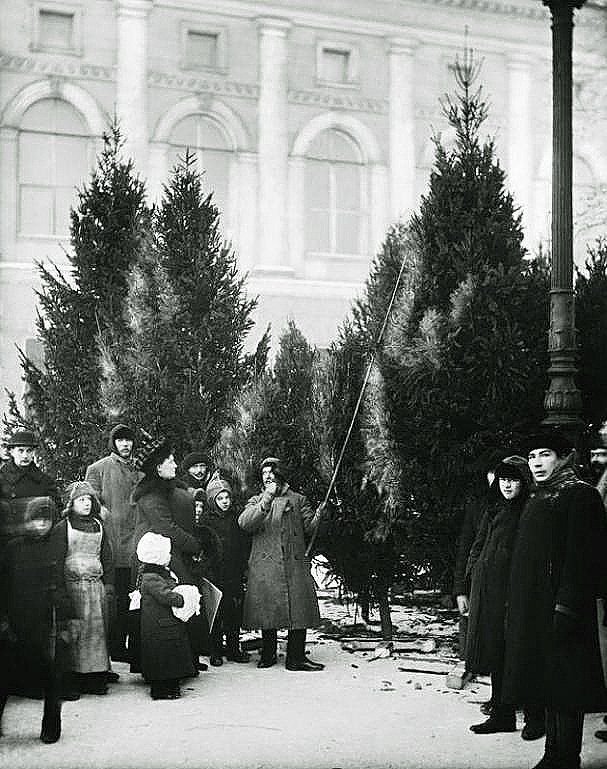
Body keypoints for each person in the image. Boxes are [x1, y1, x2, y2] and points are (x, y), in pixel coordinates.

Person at [502, 427, 607, 769]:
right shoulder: (538, 497)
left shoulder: (580, 495)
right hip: (535, 608)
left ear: (563, 458)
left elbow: (583, 557)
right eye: (532, 457)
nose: (536, 463)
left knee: (567, 687)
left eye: (545, 454)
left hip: (563, 609)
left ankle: (567, 757)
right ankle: (552, 753)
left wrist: (566, 606)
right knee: (546, 682)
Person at [466, 456, 544, 739]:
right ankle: (502, 715)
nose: (508, 485)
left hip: (518, 595)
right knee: (496, 654)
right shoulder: (493, 508)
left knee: (523, 655)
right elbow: (478, 544)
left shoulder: (529, 510)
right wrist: (473, 573)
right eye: (503, 480)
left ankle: (536, 718)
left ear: (523, 482)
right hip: (490, 595)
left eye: (513, 480)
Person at [0, 497, 76, 743]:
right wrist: (3, 621)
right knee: (4, 678)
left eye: (47, 520)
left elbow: (59, 586)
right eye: (36, 520)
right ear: (27, 521)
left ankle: (51, 728)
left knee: (51, 678)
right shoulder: (13, 548)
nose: (41, 525)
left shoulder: (53, 548)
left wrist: (67, 619)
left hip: (43, 626)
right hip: (13, 623)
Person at [238, 457, 324, 672]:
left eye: (272, 472)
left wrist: (320, 517)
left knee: (299, 609)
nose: (268, 476)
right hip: (266, 564)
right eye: (264, 472)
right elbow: (245, 523)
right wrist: (266, 498)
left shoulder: (298, 499)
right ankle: (268, 654)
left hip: (294, 564)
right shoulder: (256, 500)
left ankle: (296, 657)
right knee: (268, 608)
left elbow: (310, 529)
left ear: (281, 474)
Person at [131, 434, 208, 673]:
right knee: (167, 612)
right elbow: (166, 527)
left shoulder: (170, 487)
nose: (175, 464)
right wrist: (194, 545)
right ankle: (167, 666)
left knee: (183, 604)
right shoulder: (151, 496)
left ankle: (188, 659)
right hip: (158, 559)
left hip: (173, 555)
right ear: (158, 467)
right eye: (171, 461)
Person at [85, 424, 142, 665]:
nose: (125, 444)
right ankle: (116, 646)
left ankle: (134, 646)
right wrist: (108, 518)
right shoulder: (98, 469)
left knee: (135, 596)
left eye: (129, 440)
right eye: (120, 440)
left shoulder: (142, 469)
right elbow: (91, 503)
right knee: (115, 598)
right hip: (113, 543)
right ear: (113, 443)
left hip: (139, 543)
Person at [55, 481, 114, 696]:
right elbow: (58, 559)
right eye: (81, 500)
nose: (86, 504)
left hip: (95, 590)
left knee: (97, 634)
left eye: (89, 500)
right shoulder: (64, 527)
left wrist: (109, 586)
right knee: (75, 635)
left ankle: (96, 677)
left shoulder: (99, 526)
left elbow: (107, 558)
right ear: (72, 503)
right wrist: (60, 592)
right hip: (73, 589)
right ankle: (73, 680)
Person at [135, 532, 195, 700]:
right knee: (163, 658)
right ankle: (161, 688)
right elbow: (165, 595)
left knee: (168, 656)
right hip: (159, 625)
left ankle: (169, 685)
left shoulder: (155, 574)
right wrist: (181, 598)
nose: (169, 556)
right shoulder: (152, 578)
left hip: (164, 623)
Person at [201, 477, 250, 666]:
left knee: (233, 613)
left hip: (234, 572)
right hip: (215, 573)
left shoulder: (236, 518)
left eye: (227, 498)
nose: (225, 502)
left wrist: (244, 566)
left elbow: (244, 543)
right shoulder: (206, 520)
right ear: (213, 500)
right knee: (216, 613)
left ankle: (233, 648)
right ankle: (215, 650)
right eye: (220, 499)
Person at [0, 429, 61, 513]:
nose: (25, 456)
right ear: (12, 452)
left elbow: (56, 510)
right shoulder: (2, 478)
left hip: (37, 525)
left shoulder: (45, 481)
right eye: (20, 451)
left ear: (34, 452)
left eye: (29, 451)